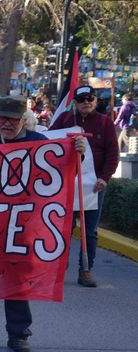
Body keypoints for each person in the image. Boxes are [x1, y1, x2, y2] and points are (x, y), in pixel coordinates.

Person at [0, 96, 86, 352]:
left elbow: (61, 170)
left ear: (23, 121)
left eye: (12, 119)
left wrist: (78, 154)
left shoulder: (38, 143)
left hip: (22, 226)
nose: (6, 123)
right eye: (2, 118)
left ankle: (18, 334)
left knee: (17, 280)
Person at [50, 85, 119, 287]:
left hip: (94, 186)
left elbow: (112, 154)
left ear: (95, 101)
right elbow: (49, 143)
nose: (86, 102)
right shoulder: (64, 121)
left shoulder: (105, 123)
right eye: (81, 99)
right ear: (75, 102)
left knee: (89, 230)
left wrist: (104, 178)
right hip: (67, 185)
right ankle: (59, 265)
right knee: (64, 228)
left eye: (90, 98)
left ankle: (85, 270)